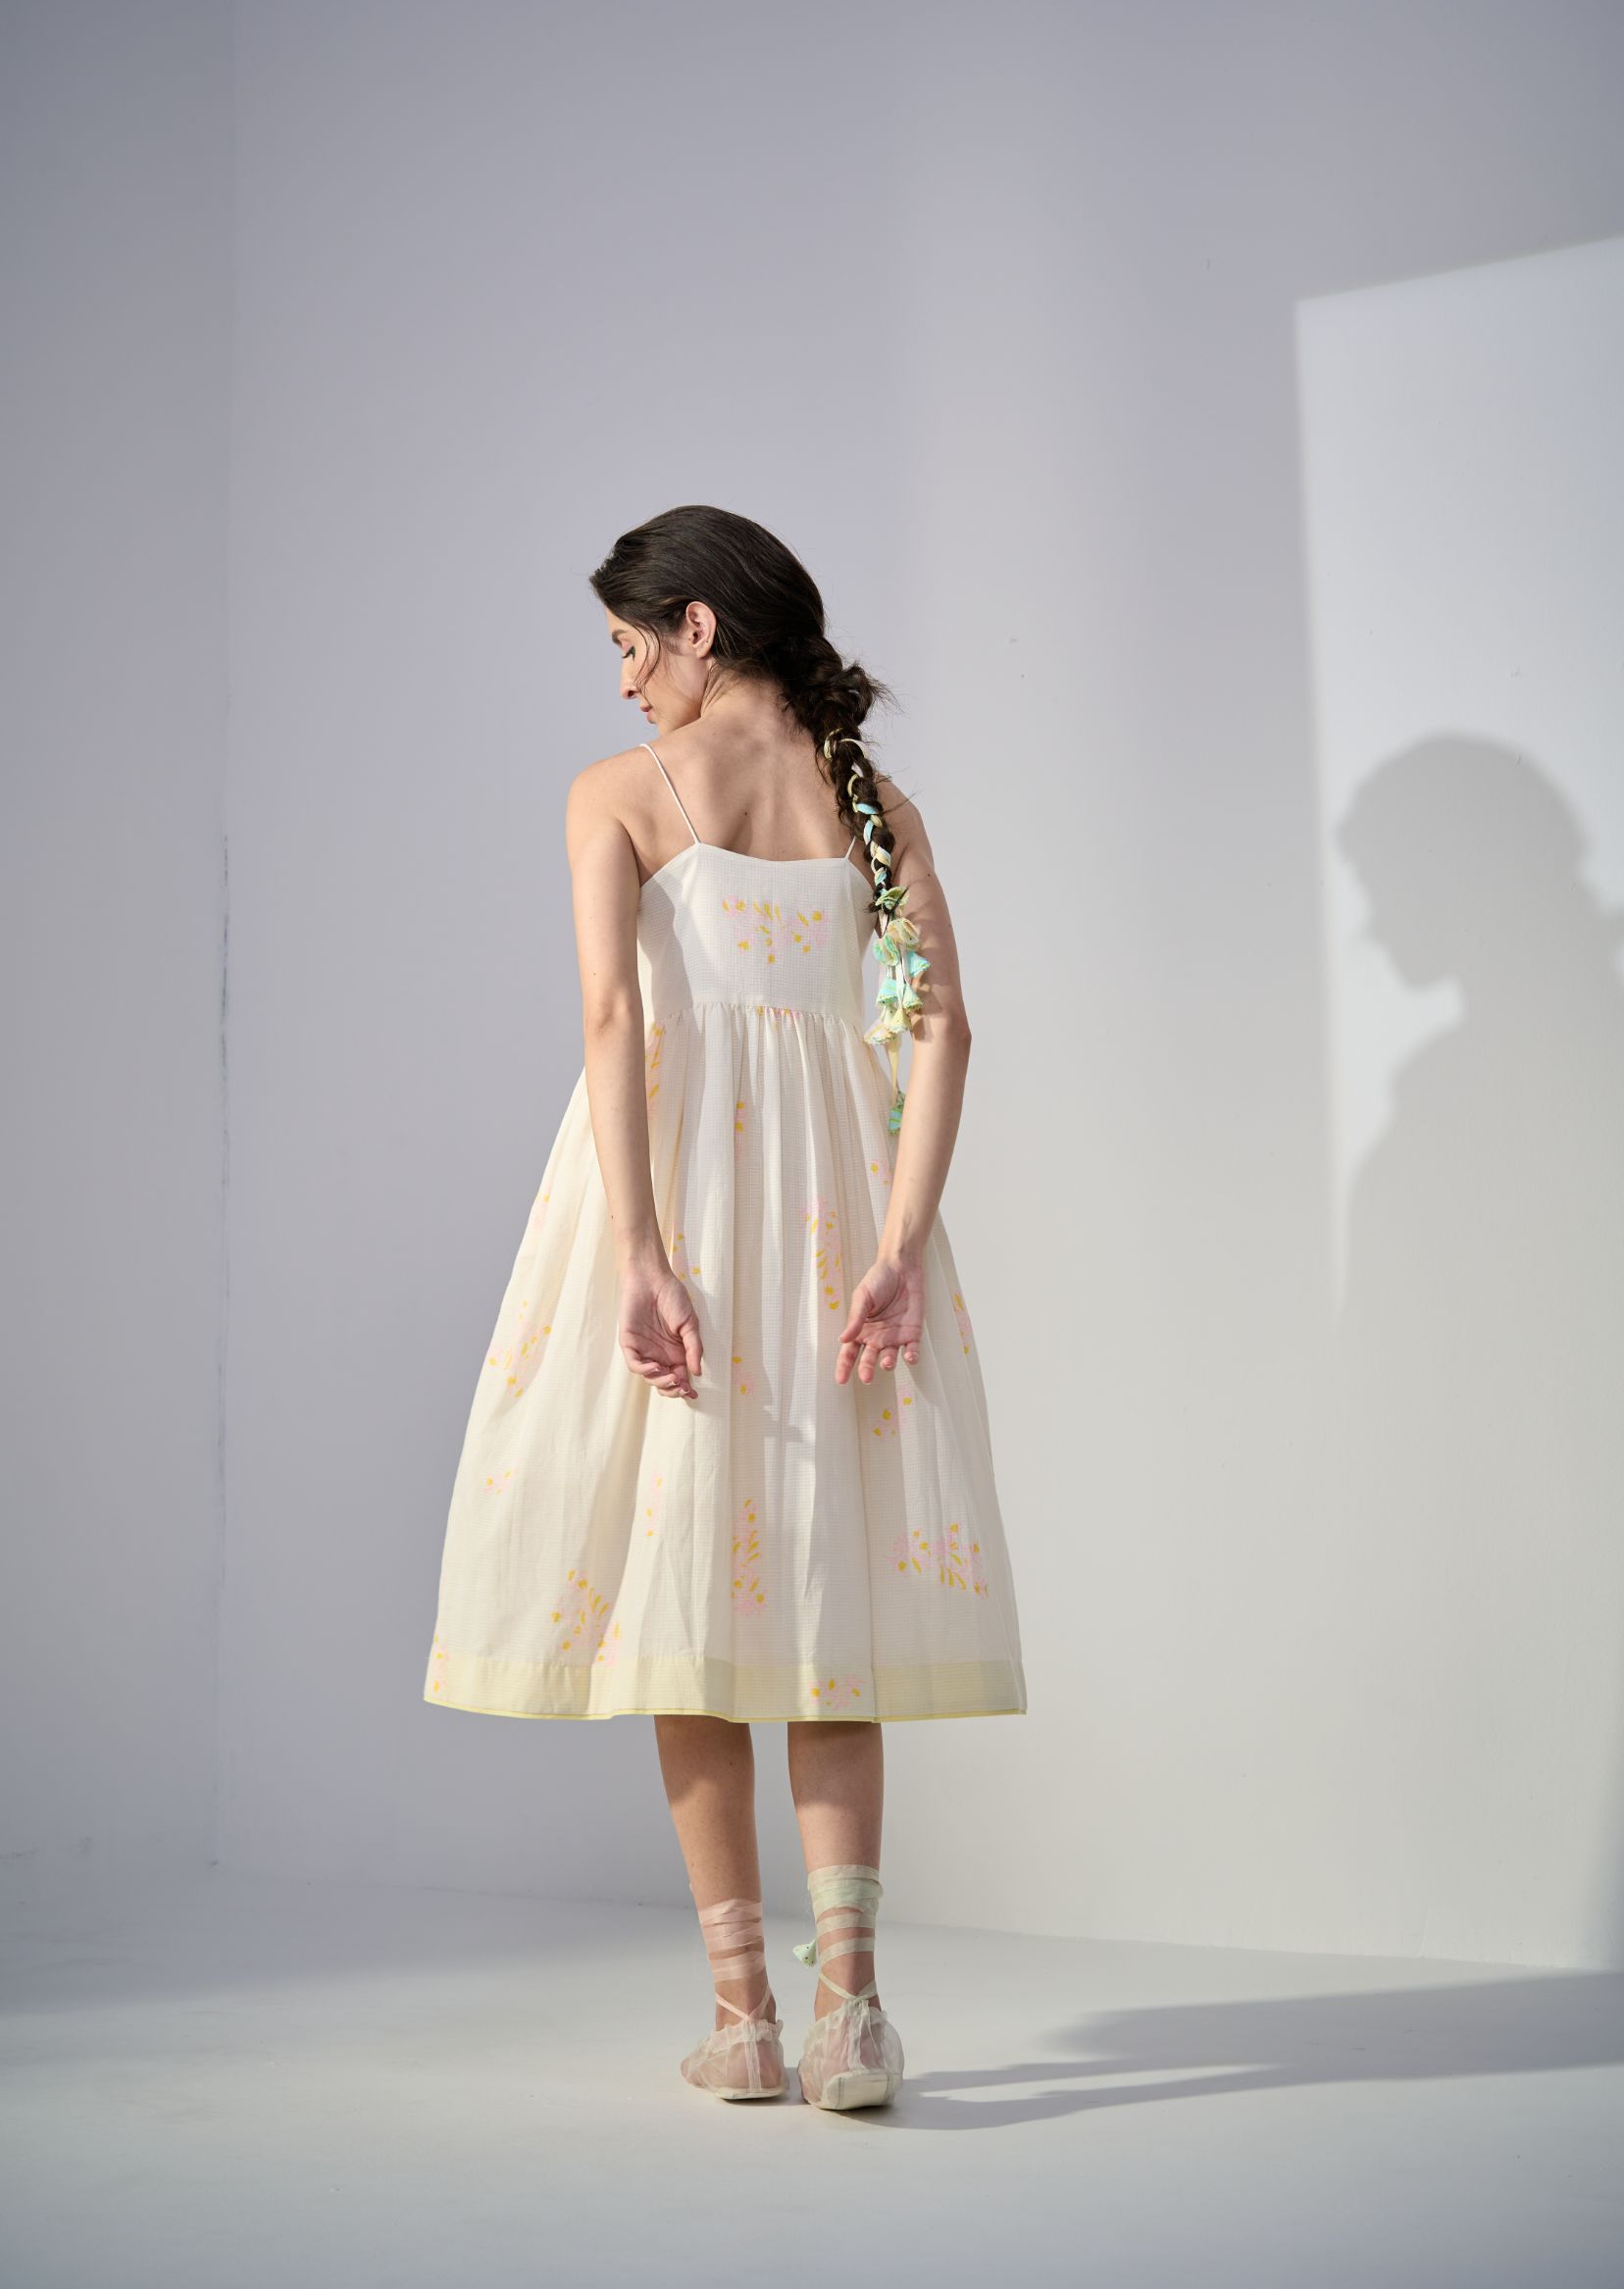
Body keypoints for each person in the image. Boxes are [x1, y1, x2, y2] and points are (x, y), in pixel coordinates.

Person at [424, 504, 1027, 2112]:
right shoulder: (869, 802)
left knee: (682, 1597)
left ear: (698, 625)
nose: (623, 682)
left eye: (631, 646)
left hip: (680, 1203)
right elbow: (944, 1028)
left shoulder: (617, 794)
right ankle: (853, 2016)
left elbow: (611, 1018)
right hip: (837, 1216)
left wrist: (636, 1249)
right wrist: (900, 1244)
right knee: (828, 1617)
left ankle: (744, 2018)